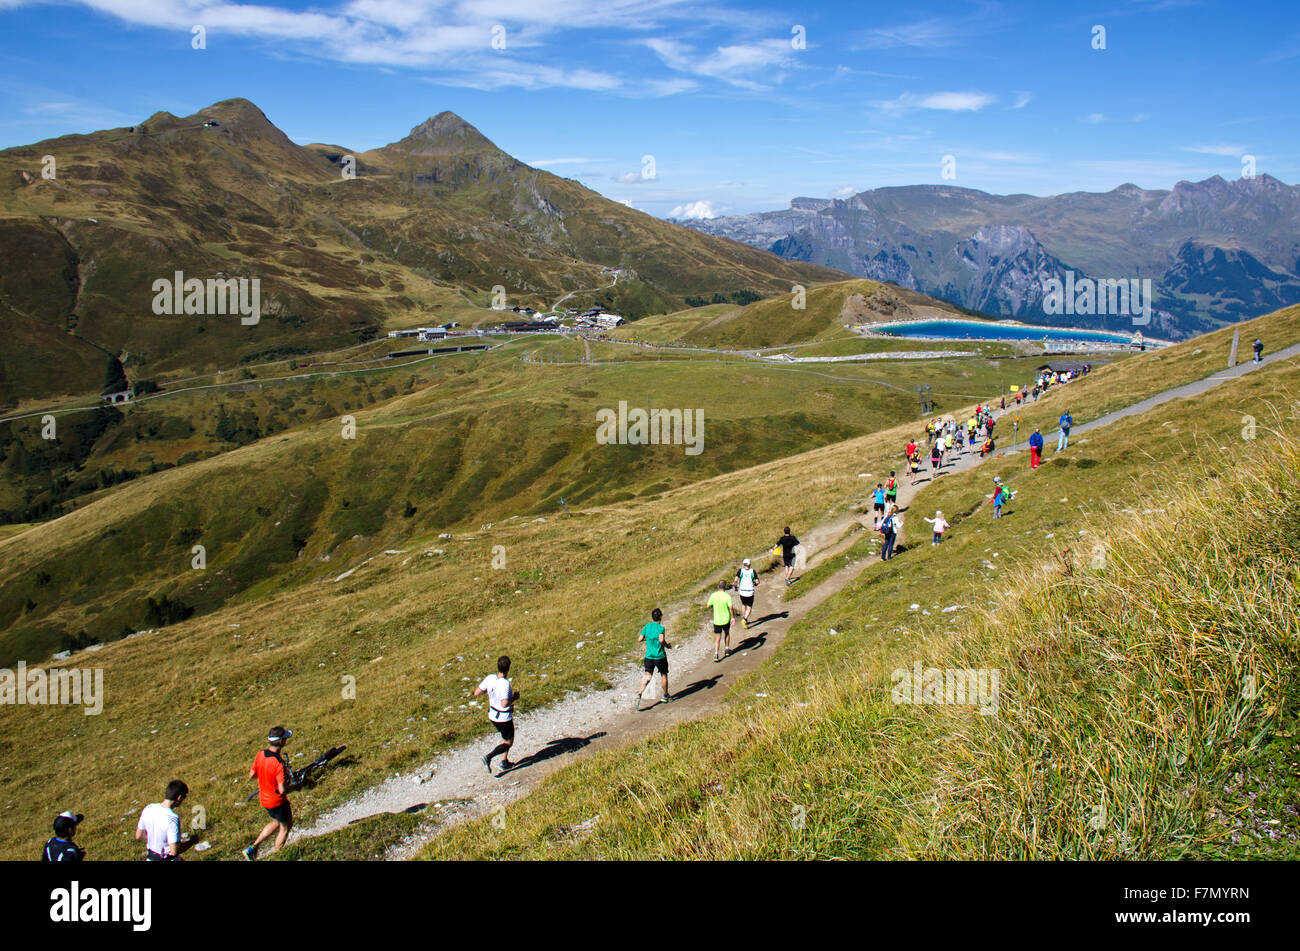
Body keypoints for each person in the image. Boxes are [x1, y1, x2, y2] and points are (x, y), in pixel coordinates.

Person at [244, 726, 294, 860]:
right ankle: (278, 855)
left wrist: (266, 778)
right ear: (280, 742)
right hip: (277, 801)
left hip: (264, 799)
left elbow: (252, 774)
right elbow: (282, 790)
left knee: (275, 822)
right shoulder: (278, 763)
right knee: (285, 827)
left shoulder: (261, 754)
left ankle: (252, 848)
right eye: (285, 738)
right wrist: (297, 787)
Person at [475, 656, 520, 774]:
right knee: (508, 742)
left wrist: (490, 691)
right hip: (504, 717)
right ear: (508, 669)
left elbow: (477, 692)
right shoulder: (505, 684)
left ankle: (504, 761)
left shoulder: (490, 678)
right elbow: (504, 703)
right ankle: (489, 757)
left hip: (492, 714)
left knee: (505, 738)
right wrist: (514, 698)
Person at [136, 781, 188, 861]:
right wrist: (192, 842)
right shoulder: (172, 818)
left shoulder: (149, 808)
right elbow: (174, 851)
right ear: (179, 797)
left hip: (151, 857)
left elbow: (138, 835)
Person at [635, 608, 672, 709]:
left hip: (649, 657)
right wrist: (667, 645)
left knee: (647, 677)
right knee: (664, 675)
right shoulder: (660, 628)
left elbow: (640, 639)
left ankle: (639, 694)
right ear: (660, 617)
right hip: (660, 656)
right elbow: (661, 640)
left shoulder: (647, 626)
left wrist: (649, 638)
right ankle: (665, 695)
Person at [707, 578, 734, 661]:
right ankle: (726, 649)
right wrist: (733, 617)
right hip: (726, 619)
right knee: (727, 633)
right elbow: (730, 608)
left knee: (718, 637)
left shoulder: (713, 595)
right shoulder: (727, 596)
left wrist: (714, 605)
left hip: (717, 620)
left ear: (718, 586)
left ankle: (716, 654)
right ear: (725, 587)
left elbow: (708, 605)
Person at [734, 558, 759, 627]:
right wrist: (754, 584)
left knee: (743, 604)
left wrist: (735, 587)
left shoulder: (740, 570)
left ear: (743, 564)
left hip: (742, 591)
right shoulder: (752, 571)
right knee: (749, 607)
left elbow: (735, 580)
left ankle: (743, 617)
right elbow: (757, 581)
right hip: (750, 591)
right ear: (750, 564)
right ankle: (745, 619)